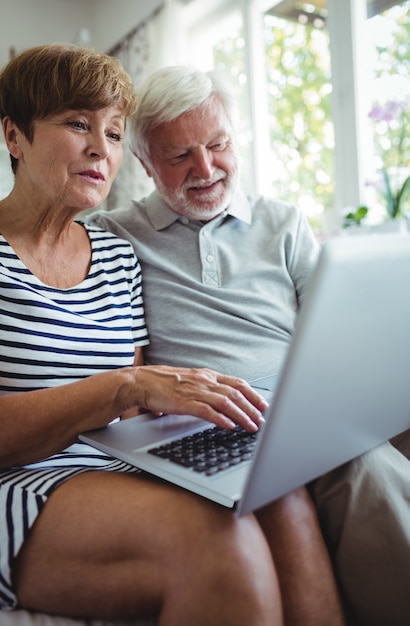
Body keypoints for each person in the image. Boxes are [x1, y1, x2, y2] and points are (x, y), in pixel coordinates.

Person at [0, 45, 346, 626]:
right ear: (14, 135)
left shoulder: (114, 255)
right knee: (223, 551)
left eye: (113, 133)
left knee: (279, 494)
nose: (98, 149)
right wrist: (125, 388)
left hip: (124, 465)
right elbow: (128, 390)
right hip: (25, 476)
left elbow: (133, 420)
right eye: (77, 124)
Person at [90, 64, 410, 626]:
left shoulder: (283, 221)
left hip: (308, 405)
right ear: (143, 164)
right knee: (360, 467)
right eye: (179, 156)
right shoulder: (115, 236)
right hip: (215, 425)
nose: (206, 168)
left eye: (218, 144)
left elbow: (342, 327)